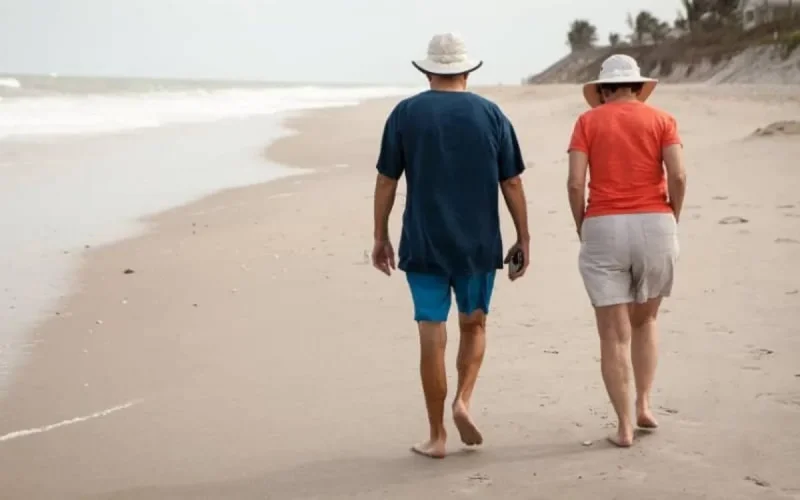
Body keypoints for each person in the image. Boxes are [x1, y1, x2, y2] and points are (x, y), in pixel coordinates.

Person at [371, 33, 530, 459]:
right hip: (478, 243)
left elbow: (387, 180)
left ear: (427, 72)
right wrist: (524, 237)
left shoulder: (405, 114)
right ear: (467, 72)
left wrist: (380, 236)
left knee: (431, 332)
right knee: (474, 325)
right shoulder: (491, 114)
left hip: (423, 241)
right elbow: (512, 181)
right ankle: (463, 400)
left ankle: (437, 435)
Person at [566, 54, 687, 447]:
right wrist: (672, 216)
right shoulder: (662, 120)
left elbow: (575, 183)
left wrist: (582, 225)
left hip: (603, 225)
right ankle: (644, 404)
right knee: (645, 320)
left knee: (613, 335)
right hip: (656, 223)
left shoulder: (587, 122)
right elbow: (678, 174)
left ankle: (623, 427)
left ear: (603, 90)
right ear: (638, 87)